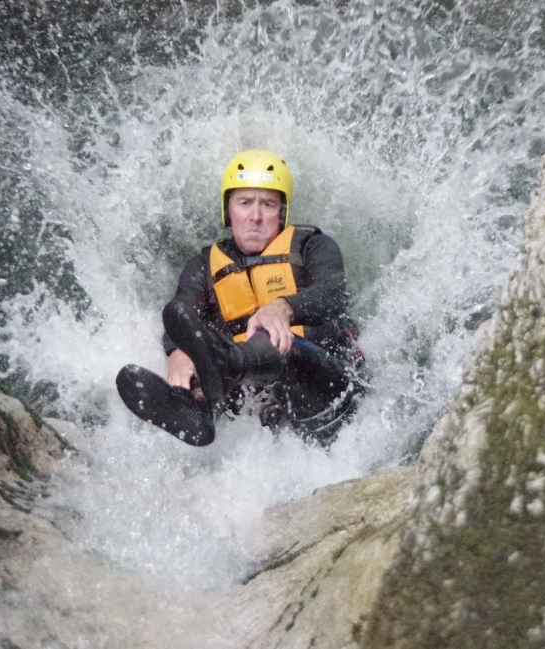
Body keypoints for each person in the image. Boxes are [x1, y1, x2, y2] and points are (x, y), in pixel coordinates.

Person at [115, 149, 364, 447]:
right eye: (244, 203)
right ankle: (195, 406)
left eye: (268, 205)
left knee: (280, 343)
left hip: (328, 391)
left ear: (282, 212)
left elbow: (333, 295)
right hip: (262, 410)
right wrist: (176, 352)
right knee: (199, 355)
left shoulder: (313, 246)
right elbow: (181, 312)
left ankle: (228, 364)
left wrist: (284, 307)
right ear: (228, 211)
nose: (255, 217)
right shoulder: (204, 266)